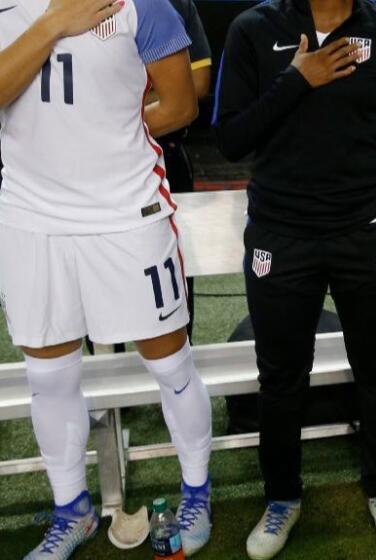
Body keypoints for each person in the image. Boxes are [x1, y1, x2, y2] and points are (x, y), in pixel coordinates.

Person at [213, 0, 376, 557]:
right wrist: (296, 81)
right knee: (281, 379)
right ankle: (281, 498)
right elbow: (231, 137)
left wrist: (360, 167)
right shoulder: (253, 31)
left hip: (368, 232)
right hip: (281, 236)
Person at [0, 0, 213, 557]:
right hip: (31, 217)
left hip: (126, 213)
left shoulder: (144, 4)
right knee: (48, 377)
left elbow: (182, 103)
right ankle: (73, 510)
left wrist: (102, 133)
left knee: (171, 363)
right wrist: (54, 23)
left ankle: (197, 490)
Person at [155, 0, 212, 340]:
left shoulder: (174, 5)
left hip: (166, 155)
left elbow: (198, 85)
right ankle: (105, 365)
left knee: (175, 267)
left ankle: (179, 366)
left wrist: (116, 117)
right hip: (92, 161)